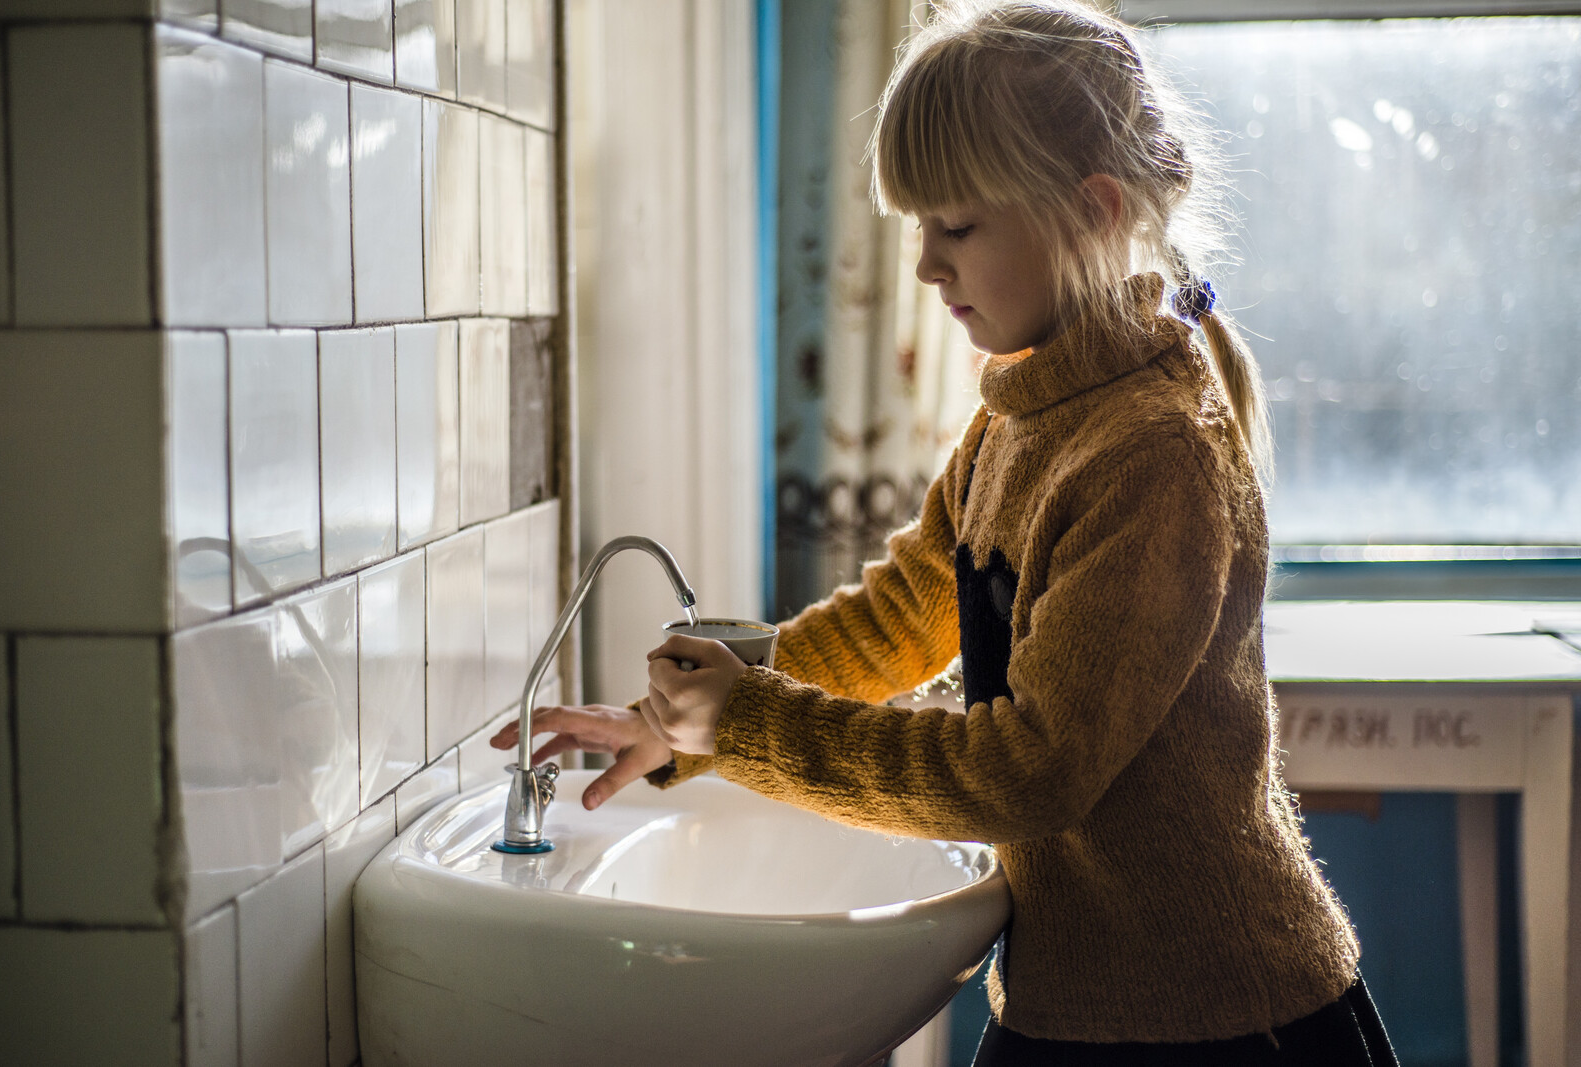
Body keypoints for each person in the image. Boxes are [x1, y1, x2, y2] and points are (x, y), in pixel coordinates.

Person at [493, 2, 1398, 1062]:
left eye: (956, 227)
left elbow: (1028, 770)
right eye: (917, 226)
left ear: (1093, 213)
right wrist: (679, 723)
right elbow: (897, 620)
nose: (925, 266)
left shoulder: (1153, 455)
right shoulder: (1016, 418)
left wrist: (749, 725)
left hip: (1219, 1021)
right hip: (1080, 1001)